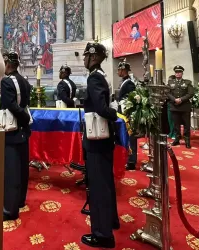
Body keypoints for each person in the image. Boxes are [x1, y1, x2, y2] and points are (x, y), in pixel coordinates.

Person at [81, 41, 118, 248]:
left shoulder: (94, 77)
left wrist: (113, 115)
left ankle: (102, 234)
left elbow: (103, 108)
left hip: (97, 139)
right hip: (105, 138)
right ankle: (110, 221)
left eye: (86, 56)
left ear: (93, 57)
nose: (84, 59)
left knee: (98, 186)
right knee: (106, 182)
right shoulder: (102, 75)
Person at [0, 51, 31, 221]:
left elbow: (10, 105)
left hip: (12, 131)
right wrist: (25, 120)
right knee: (22, 169)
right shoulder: (24, 81)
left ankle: (9, 210)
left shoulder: (7, 81)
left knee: (11, 171)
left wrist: (23, 118)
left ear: (8, 64)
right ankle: (20, 201)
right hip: (24, 132)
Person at [116, 59, 137, 170]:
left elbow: (131, 99)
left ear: (124, 70)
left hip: (127, 114)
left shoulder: (129, 83)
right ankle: (127, 158)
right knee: (126, 136)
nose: (118, 71)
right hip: (123, 113)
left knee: (131, 137)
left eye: (119, 69)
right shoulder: (124, 81)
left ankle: (132, 161)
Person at [167, 65, 194, 148]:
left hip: (185, 106)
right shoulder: (170, 83)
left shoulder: (187, 82)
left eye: (179, 72)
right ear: (175, 73)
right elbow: (168, 93)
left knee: (186, 125)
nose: (178, 74)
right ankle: (177, 139)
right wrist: (174, 99)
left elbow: (190, 93)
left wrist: (181, 99)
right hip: (175, 106)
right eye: (176, 72)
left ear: (182, 73)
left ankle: (187, 141)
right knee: (176, 124)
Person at [167, 75, 177, 139]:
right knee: (170, 120)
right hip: (169, 104)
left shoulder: (176, 87)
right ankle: (171, 133)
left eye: (170, 80)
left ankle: (174, 134)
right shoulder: (168, 87)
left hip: (174, 104)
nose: (169, 81)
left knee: (174, 121)